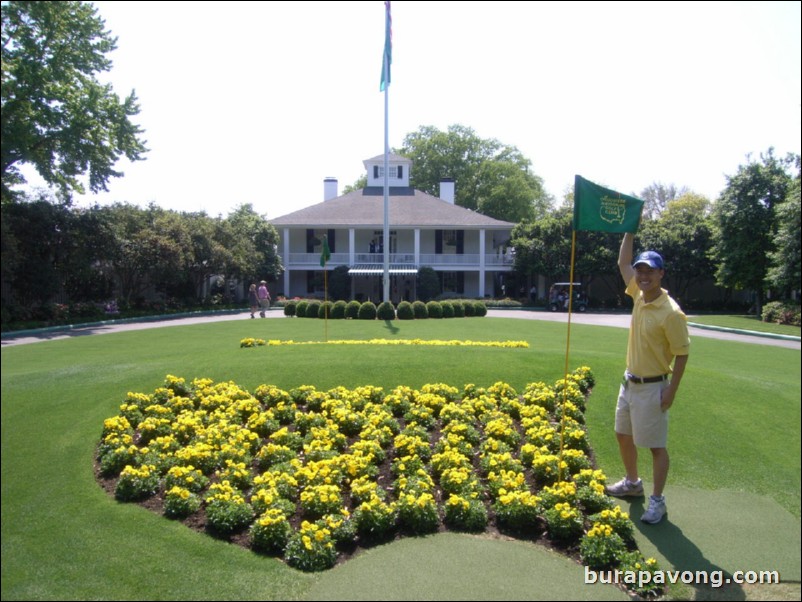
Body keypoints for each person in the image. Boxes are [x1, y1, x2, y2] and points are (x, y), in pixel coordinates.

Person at [606, 233, 690, 525]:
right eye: (640, 271)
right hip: (629, 383)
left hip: (654, 386)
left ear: (661, 274)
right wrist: (629, 230)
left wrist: (671, 392)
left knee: (656, 447)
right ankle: (632, 483)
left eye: (649, 271)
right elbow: (623, 262)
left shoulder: (671, 313)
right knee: (622, 434)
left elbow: (682, 354)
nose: (642, 276)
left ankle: (658, 501)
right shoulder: (639, 295)